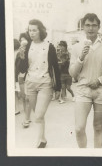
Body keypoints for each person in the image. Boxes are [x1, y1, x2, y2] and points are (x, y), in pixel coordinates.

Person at [69, 13, 102, 148]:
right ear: (83, 27)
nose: (90, 28)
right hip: (83, 90)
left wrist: (100, 80)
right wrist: (81, 57)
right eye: (87, 25)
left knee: (98, 126)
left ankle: (97, 156)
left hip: (101, 91)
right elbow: (73, 73)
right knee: (79, 128)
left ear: (98, 27)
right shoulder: (76, 47)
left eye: (94, 25)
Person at [17, 19, 61, 148]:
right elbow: (22, 69)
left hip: (45, 84)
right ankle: (42, 139)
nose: (31, 33)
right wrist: (22, 56)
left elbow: (55, 68)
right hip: (30, 83)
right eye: (30, 30)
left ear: (40, 31)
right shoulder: (26, 46)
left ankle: (39, 140)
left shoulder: (49, 46)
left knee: (38, 115)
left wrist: (58, 86)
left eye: (34, 30)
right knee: (38, 115)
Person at [17, 32, 32, 127]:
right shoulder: (19, 51)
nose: (23, 41)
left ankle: (27, 117)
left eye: (24, 39)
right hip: (21, 76)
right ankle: (26, 116)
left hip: (29, 76)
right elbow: (18, 66)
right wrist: (21, 55)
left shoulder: (31, 50)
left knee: (28, 98)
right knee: (23, 97)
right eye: (21, 40)